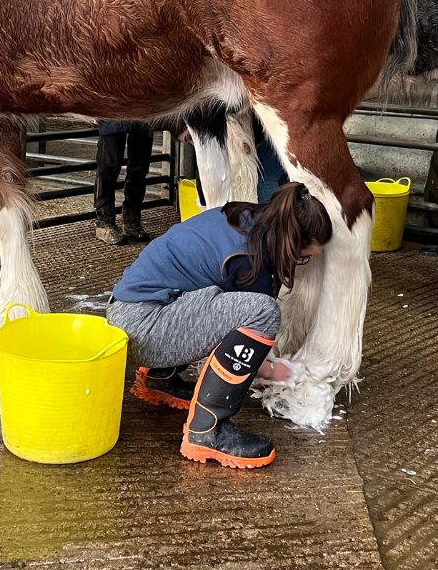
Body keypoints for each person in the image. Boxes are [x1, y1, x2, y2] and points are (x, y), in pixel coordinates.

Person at [106, 182, 331, 469]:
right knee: (263, 311)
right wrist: (274, 371)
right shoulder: (249, 262)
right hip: (142, 328)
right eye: (305, 256)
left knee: (210, 296)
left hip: (130, 312)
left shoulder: (243, 217)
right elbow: (235, 332)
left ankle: (159, 377)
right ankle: (207, 431)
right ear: (292, 242)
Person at [94, 120, 154, 245]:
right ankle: (104, 222)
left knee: (140, 168)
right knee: (108, 169)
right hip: (112, 111)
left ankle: (131, 219)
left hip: (142, 114)